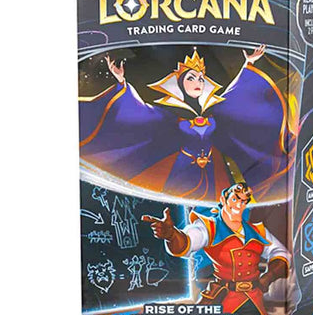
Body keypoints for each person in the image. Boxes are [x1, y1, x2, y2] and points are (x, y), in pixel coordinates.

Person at [79, 46, 293, 203]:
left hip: (214, 168)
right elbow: (141, 112)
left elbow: (238, 94)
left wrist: (249, 64)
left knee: (217, 209)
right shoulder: (170, 113)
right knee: (182, 206)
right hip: (183, 169)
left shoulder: (214, 108)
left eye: (200, 78)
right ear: (180, 83)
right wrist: (121, 81)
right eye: (191, 78)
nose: (198, 82)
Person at [141, 182, 291, 315]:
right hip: (221, 297)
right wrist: (172, 235)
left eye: (243, 201)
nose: (238, 205)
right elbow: (188, 241)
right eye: (235, 199)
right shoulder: (209, 227)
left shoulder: (257, 230)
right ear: (223, 200)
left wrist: (268, 277)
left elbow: (281, 253)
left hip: (251, 298)